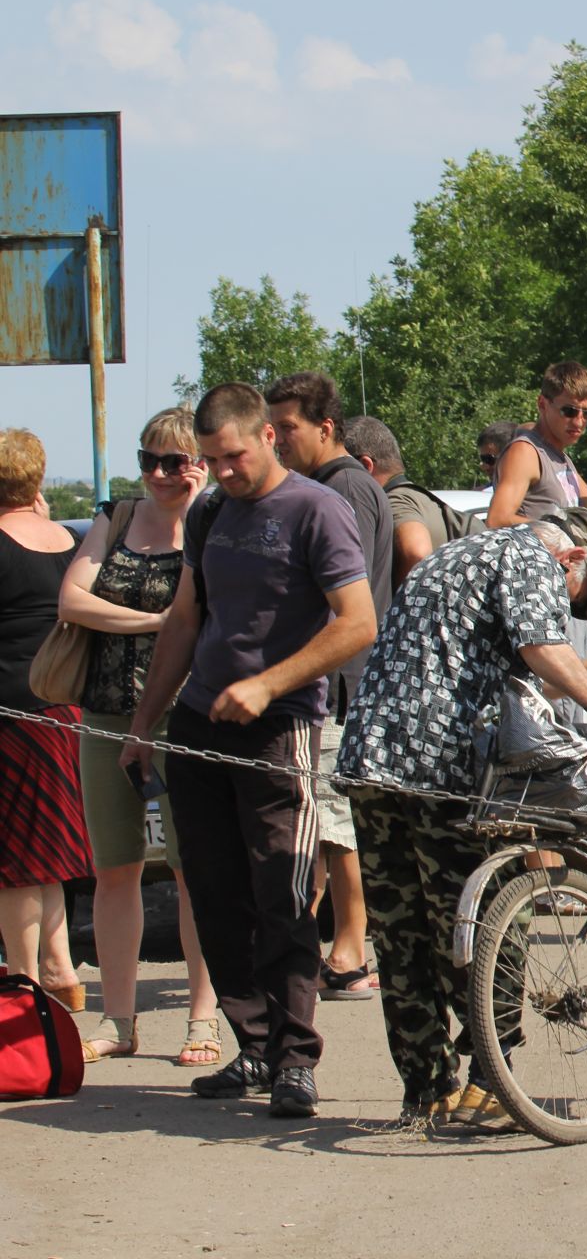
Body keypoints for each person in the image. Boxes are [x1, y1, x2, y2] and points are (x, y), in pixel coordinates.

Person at [335, 517, 587, 1127]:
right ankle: (491, 1075)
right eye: (576, 597)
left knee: (402, 934)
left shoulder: (460, 557)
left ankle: (426, 1091)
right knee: (481, 918)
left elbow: (489, 654)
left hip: (374, 757)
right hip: (443, 764)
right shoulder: (532, 557)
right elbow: (539, 647)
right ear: (572, 559)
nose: (570, 609)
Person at [122, 383, 377, 1120]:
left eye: (232, 457)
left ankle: (297, 1059)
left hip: (281, 726)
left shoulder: (315, 509)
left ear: (267, 436)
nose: (222, 472)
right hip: (199, 723)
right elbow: (184, 619)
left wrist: (269, 685)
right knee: (213, 891)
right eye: (211, 460)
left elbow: (356, 623)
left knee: (284, 891)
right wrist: (146, 723)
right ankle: (255, 1043)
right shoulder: (209, 513)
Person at [57, 407, 221, 1066]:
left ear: (200, 464)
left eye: (173, 462)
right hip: (105, 715)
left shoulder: (213, 520)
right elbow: (72, 600)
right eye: (148, 459)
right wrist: (158, 624)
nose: (158, 474)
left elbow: (213, 611)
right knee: (114, 869)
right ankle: (118, 1020)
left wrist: (157, 624)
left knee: (192, 872)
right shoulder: (115, 516)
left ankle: (203, 1019)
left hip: (187, 718)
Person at [266, 372, 392, 1002]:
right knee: (321, 817)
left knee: (336, 821)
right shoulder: (330, 486)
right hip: (331, 679)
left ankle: (350, 950)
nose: (277, 439)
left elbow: (350, 597)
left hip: (338, 682)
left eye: (286, 427)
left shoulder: (345, 488)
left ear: (325, 427)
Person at [0, 429, 90, 1015]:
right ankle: (60, 972)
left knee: (13, 862)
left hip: (9, 713)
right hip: (67, 711)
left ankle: (25, 982)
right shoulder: (67, 541)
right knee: (48, 853)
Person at [484, 362, 587, 529]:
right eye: (569, 411)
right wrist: (571, 529)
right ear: (543, 404)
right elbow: (497, 519)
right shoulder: (525, 452)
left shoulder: (559, 458)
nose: (579, 421)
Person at [343, 416, 455, 584]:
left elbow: (416, 554)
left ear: (366, 466)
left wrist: (401, 606)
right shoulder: (421, 499)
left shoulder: (395, 502)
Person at [475, 420, 516, 491]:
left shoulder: (535, 497)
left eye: (489, 459)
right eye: (483, 459)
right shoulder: (479, 495)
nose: (484, 467)